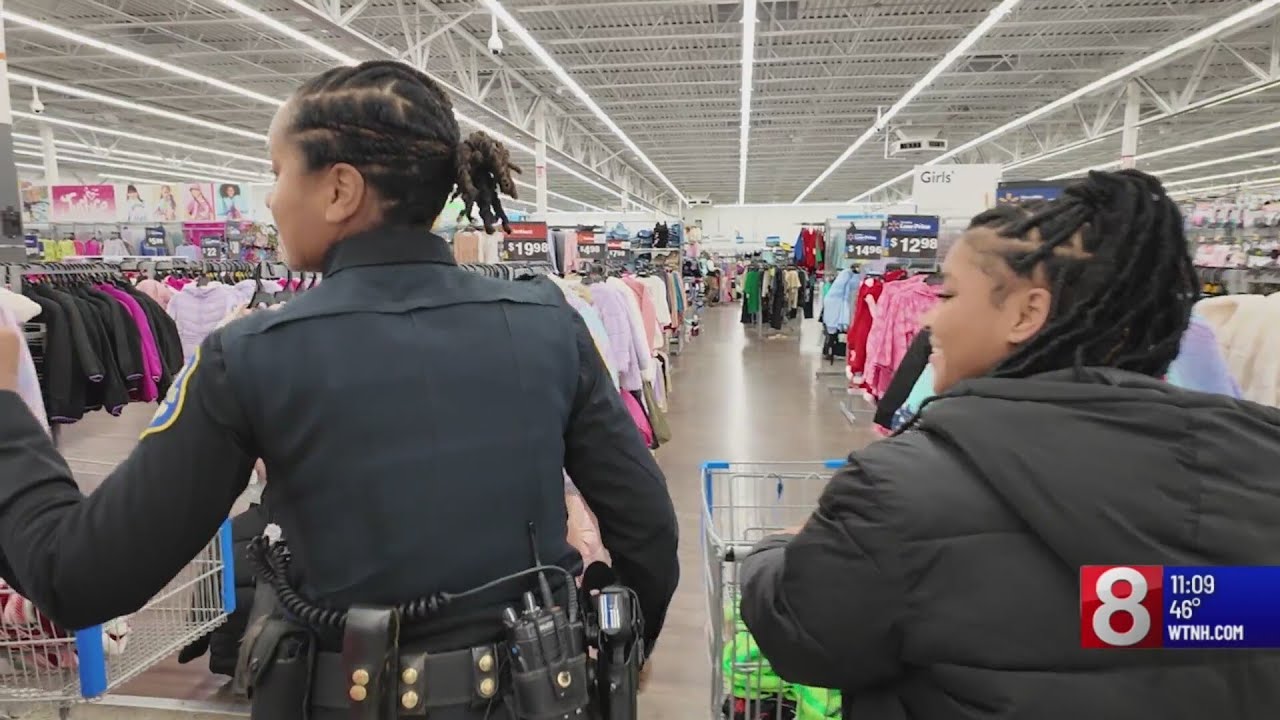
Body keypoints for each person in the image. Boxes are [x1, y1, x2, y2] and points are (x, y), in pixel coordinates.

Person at [0, 59, 680, 719]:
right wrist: (615, 650)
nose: (269, 198)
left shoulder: (252, 355)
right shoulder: (548, 326)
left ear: (339, 190)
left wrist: (6, 408)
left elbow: (79, 577)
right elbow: (646, 528)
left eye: (277, 172)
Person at [738, 169, 1280, 719]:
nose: (929, 315)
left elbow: (805, 639)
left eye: (948, 293)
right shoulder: (1259, 463)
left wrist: (774, 552)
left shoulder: (900, 489)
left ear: (1026, 313)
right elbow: (1187, 620)